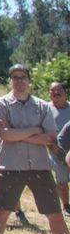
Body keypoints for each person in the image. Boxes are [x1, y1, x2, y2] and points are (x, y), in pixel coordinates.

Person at [0, 64, 70, 234]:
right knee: (1, 212)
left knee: (55, 214)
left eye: (23, 77)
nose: (19, 81)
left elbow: (50, 137)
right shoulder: (0, 104)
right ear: (10, 80)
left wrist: (17, 133)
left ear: (29, 80)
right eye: (15, 77)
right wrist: (33, 131)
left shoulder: (43, 106)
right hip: (10, 167)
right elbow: (4, 135)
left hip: (40, 168)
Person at [49, 81, 70, 214]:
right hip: (54, 151)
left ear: (65, 92)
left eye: (59, 90)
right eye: (53, 90)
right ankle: (66, 205)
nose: (56, 92)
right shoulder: (46, 109)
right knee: (61, 180)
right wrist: (55, 149)